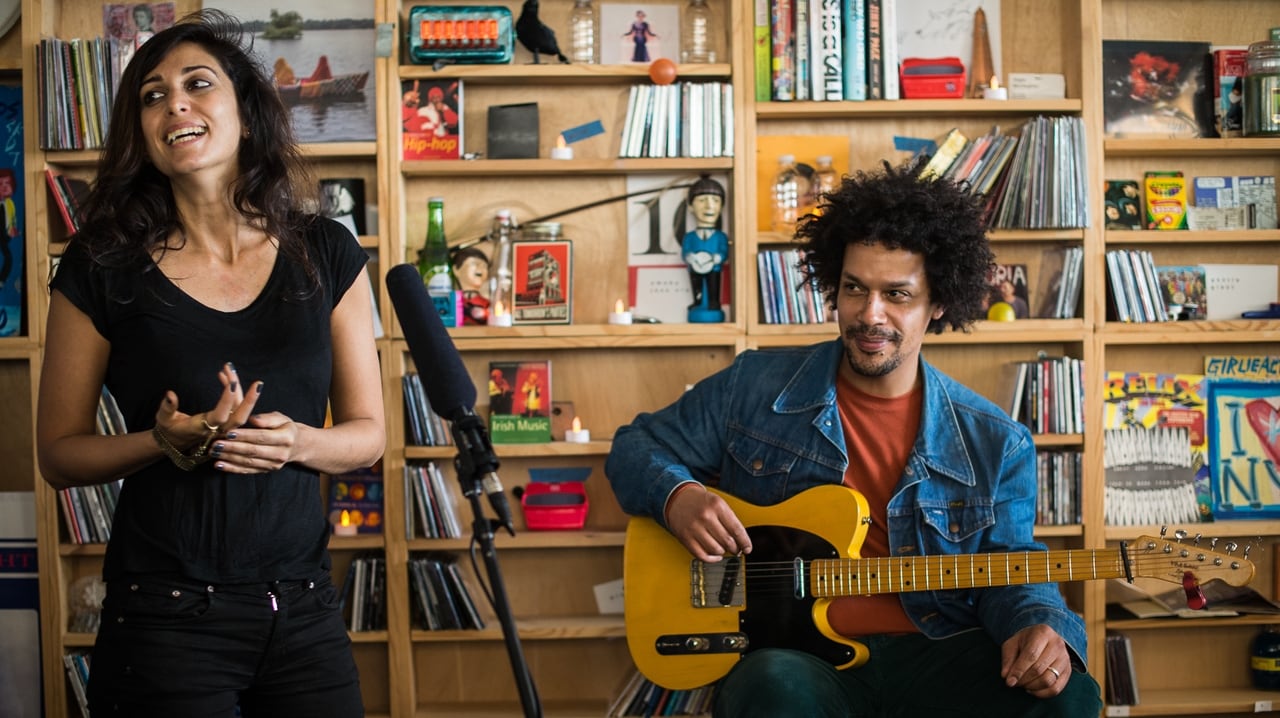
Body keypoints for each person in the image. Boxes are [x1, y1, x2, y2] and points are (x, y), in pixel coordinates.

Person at [606, 160, 1103, 718]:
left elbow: (1010, 566)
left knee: (1072, 697)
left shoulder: (996, 440)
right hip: (796, 658)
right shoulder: (755, 385)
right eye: (854, 289)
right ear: (833, 288)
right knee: (771, 684)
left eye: (897, 295)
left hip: (934, 650)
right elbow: (633, 448)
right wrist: (678, 497)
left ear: (937, 304)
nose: (871, 315)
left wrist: (1039, 627)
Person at [36, 10, 384, 717]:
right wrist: (161, 443)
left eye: (198, 84)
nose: (176, 104)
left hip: (306, 613)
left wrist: (300, 443)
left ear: (247, 115)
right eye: (152, 96)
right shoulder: (101, 265)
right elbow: (59, 454)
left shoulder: (328, 252)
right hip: (164, 621)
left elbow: (369, 432)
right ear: (143, 133)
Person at [681, 174, 727, 323]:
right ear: (690, 206)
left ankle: (714, 303)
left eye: (715, 200)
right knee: (697, 287)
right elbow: (685, 251)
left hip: (714, 269)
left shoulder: (720, 236)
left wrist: (717, 258)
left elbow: (723, 251)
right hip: (695, 269)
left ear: (722, 207)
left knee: (714, 287)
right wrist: (690, 258)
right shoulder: (690, 236)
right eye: (702, 200)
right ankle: (698, 302)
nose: (709, 206)